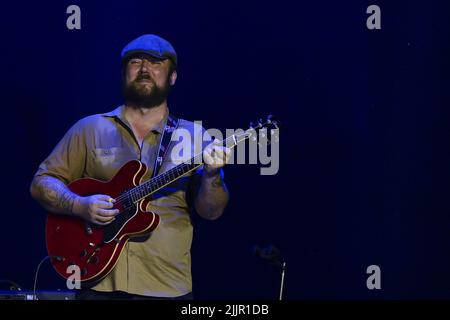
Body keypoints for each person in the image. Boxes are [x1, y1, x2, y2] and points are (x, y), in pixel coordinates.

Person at [30, 34, 231, 300]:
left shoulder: (195, 137)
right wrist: (79, 205)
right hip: (98, 282)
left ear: (173, 77)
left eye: (156, 63)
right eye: (136, 62)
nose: (145, 69)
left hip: (166, 286)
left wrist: (213, 175)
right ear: (123, 73)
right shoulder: (89, 128)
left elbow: (211, 212)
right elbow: (41, 183)